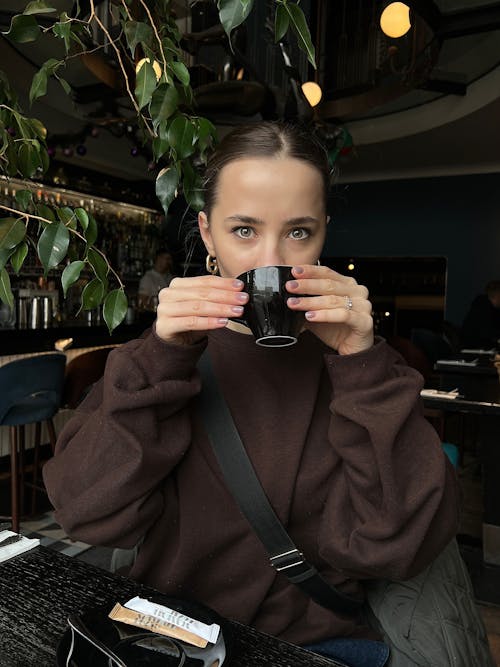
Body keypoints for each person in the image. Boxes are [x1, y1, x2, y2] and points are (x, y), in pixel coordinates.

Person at [43, 122, 459, 667]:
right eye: (243, 230)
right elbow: (88, 516)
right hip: (170, 639)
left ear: (324, 233)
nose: (271, 259)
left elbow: (402, 544)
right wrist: (160, 356)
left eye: (298, 231)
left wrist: (362, 361)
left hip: (309, 647)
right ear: (207, 235)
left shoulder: (360, 369)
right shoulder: (160, 360)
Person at [461, 280, 500, 349]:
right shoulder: (483, 308)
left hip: (479, 347)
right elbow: (488, 333)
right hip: (475, 349)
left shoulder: (483, 305)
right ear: (497, 295)